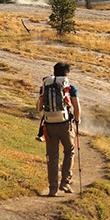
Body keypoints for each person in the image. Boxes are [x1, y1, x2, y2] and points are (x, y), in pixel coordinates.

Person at [37, 62, 80, 196]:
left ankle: (53, 188)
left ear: (54, 72)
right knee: (69, 151)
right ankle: (65, 182)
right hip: (65, 124)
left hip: (49, 125)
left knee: (52, 156)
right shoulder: (70, 88)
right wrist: (77, 120)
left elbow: (38, 107)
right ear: (67, 74)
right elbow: (77, 107)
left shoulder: (45, 86)